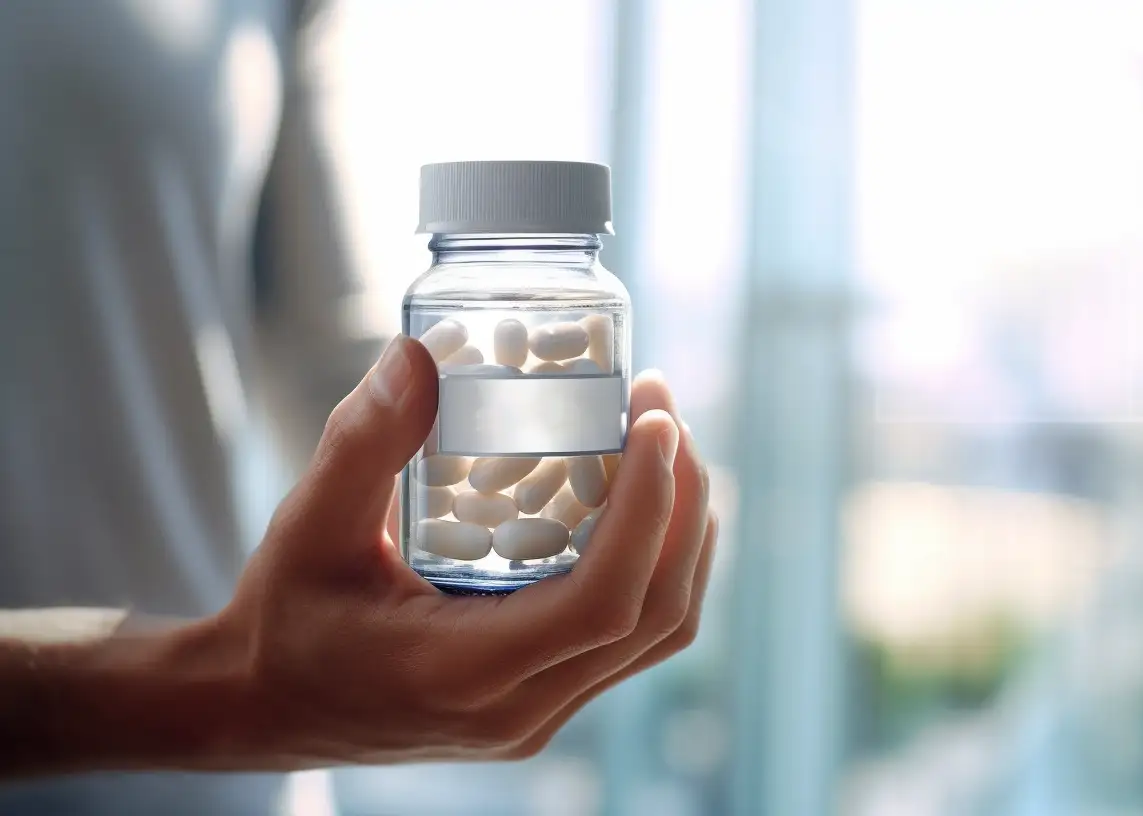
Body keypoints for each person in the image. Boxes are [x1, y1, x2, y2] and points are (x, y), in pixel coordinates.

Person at [0, 1, 714, 812]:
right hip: (216, 727)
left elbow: (338, 369)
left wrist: (447, 552)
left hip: (235, 788)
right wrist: (223, 692)